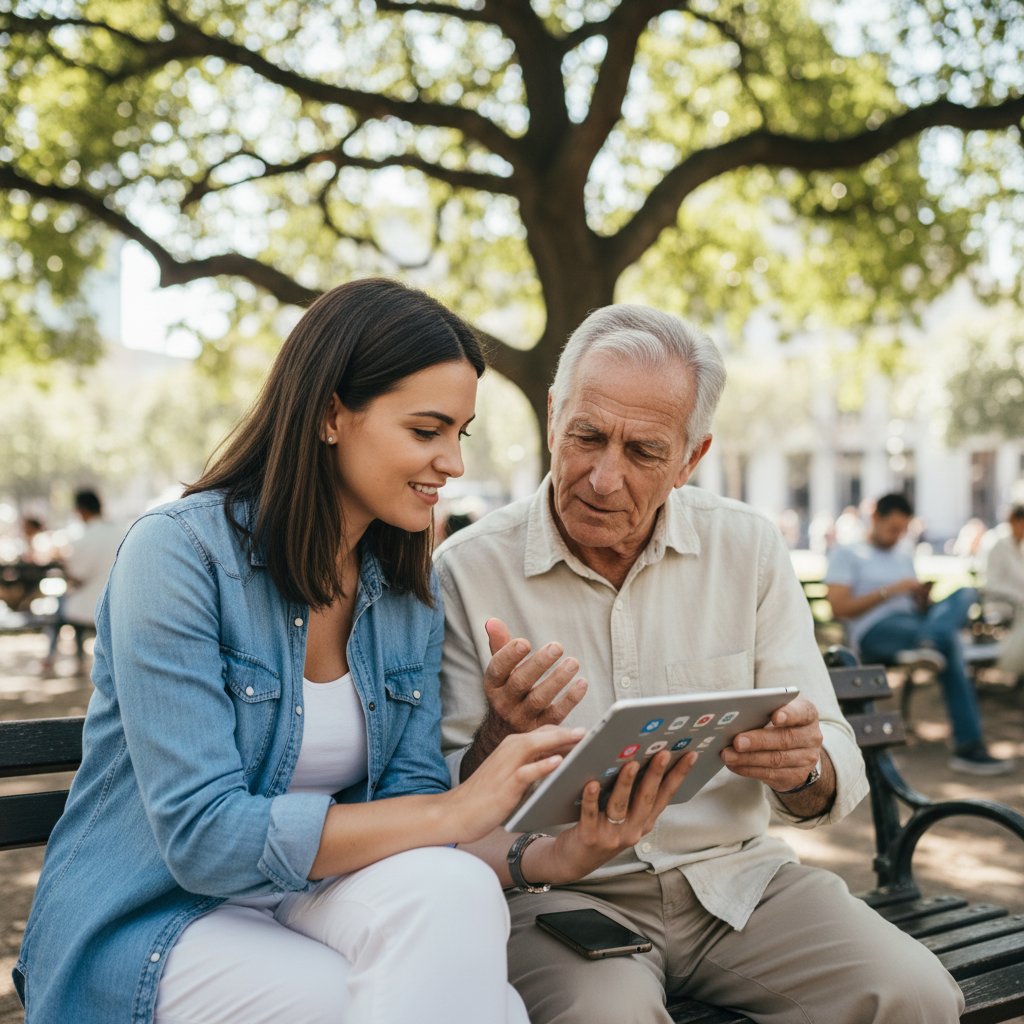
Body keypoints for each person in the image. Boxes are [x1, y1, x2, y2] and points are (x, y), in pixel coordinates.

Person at [15, 280, 692, 1024]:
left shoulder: (404, 593)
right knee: (451, 1006)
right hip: (155, 917)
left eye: (460, 434)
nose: (454, 464)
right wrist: (459, 807)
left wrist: (554, 858)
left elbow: (408, 826)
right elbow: (204, 838)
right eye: (427, 430)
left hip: (302, 898)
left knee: (455, 899)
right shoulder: (178, 557)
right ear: (332, 413)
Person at [436, 304, 964, 1024]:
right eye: (586, 435)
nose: (602, 477)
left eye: (645, 452)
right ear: (554, 414)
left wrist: (801, 768)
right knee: (605, 1018)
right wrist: (500, 735)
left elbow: (830, 761)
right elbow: (441, 806)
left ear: (692, 457)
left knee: (916, 995)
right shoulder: (465, 571)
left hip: (739, 884)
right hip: (559, 894)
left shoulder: (745, 548)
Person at [826, 493, 1013, 776]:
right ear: (875, 518)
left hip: (914, 624)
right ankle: (969, 748)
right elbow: (838, 608)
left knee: (967, 593)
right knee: (950, 643)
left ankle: (930, 643)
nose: (897, 536)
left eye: (902, 530)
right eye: (892, 529)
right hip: (874, 630)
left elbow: (917, 606)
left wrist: (920, 598)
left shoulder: (903, 553)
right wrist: (889, 591)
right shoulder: (847, 553)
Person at [41, 488, 123, 673]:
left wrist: (63, 563)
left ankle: (52, 657)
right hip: (115, 600)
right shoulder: (120, 532)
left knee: (60, 610)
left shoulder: (84, 538)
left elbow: (77, 576)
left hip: (89, 603)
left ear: (80, 510)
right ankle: (77, 660)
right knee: (69, 606)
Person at [983, 505, 1024, 682]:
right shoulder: (999, 547)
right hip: (1003, 604)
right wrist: (1017, 597)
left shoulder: (1020, 549)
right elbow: (991, 584)